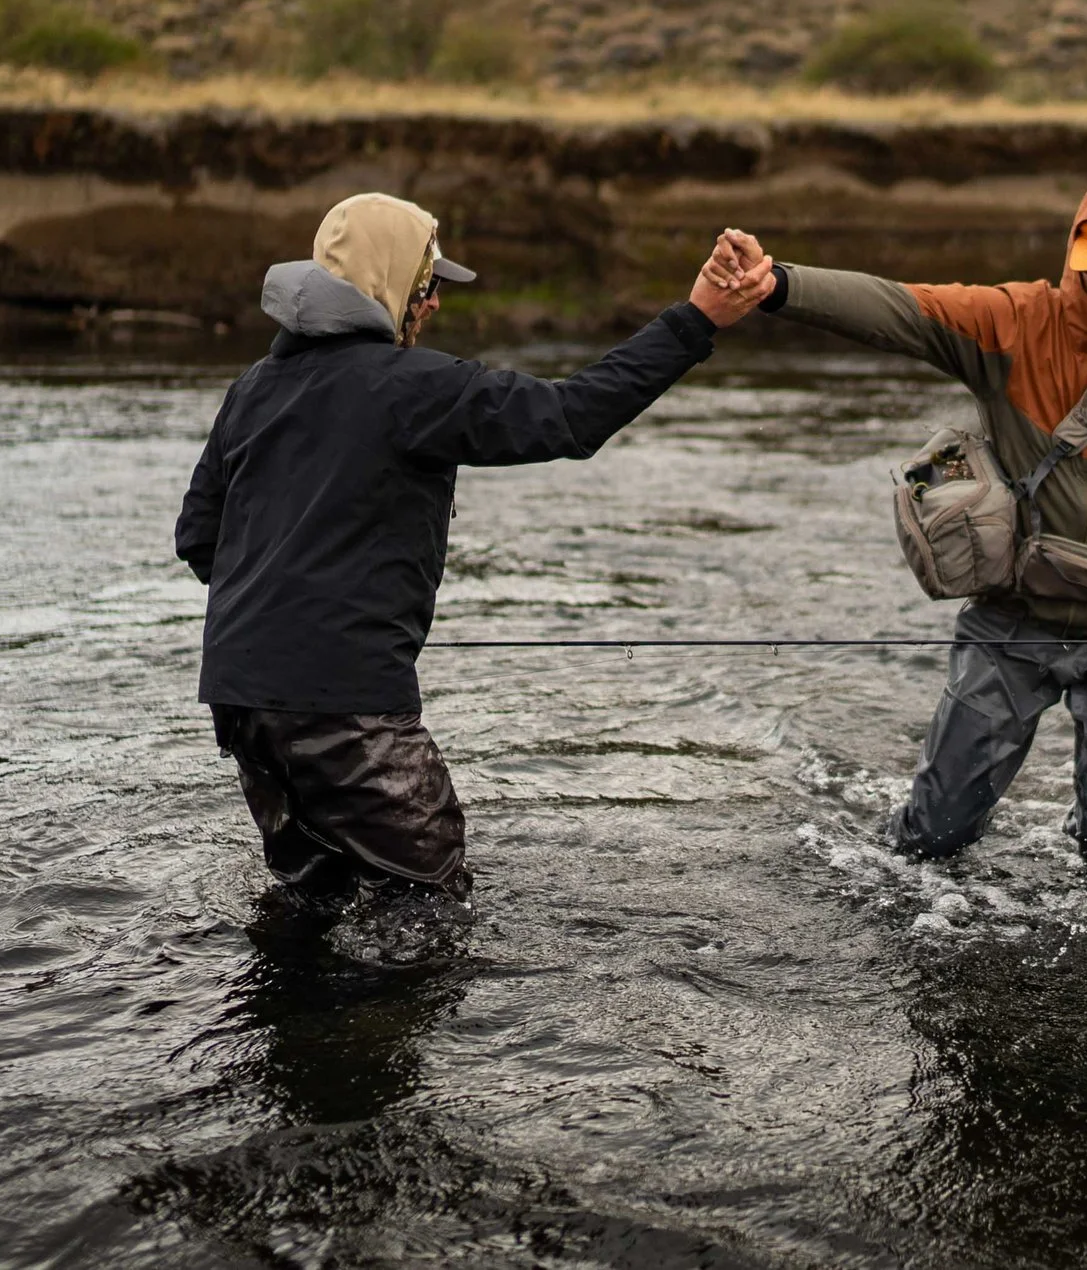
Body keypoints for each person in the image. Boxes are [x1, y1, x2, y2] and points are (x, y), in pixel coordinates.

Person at [176, 192, 777, 906]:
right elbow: (571, 418)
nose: (432, 306)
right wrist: (699, 319)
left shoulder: (253, 387)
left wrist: (310, 615)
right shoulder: (419, 387)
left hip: (242, 709)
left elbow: (198, 539)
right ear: (388, 286)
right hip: (347, 710)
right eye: (425, 287)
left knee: (315, 904)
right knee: (430, 907)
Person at [710, 157, 1087, 891]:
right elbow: (898, 308)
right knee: (932, 838)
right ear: (1074, 249)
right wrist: (778, 284)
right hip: (1012, 624)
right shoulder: (1013, 320)